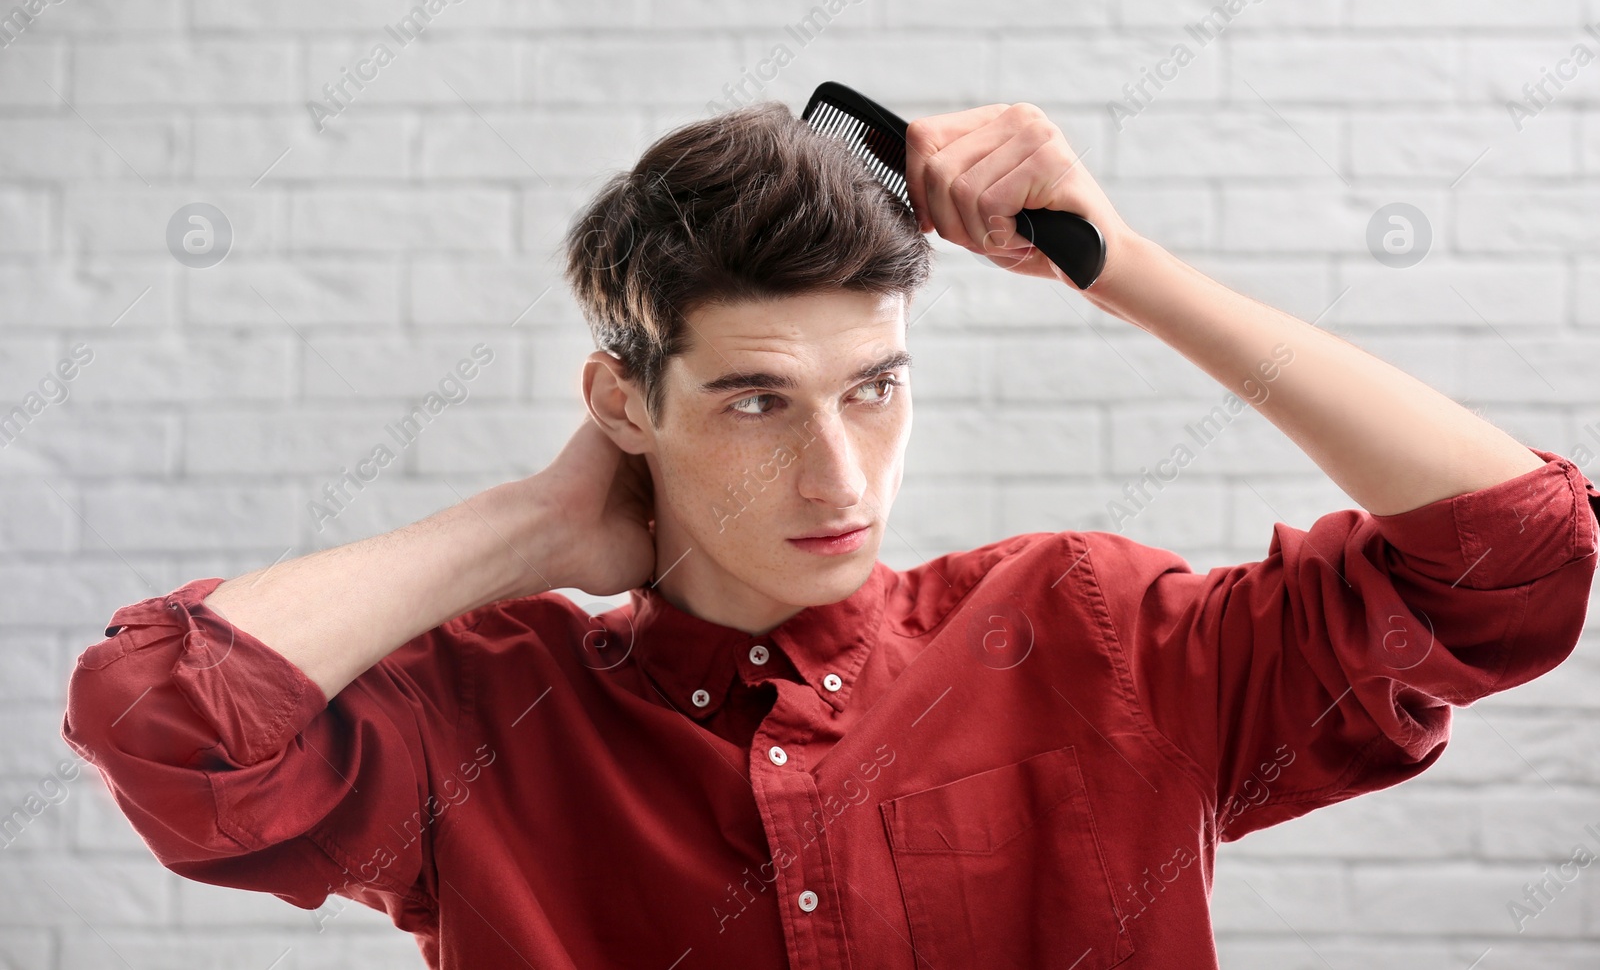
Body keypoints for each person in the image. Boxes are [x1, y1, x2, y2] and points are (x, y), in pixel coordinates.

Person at [62, 99, 1598, 969]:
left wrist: (1115, 265)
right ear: (623, 400)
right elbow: (171, 731)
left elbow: (1513, 560)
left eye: (874, 390)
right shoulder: (489, 712)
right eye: (751, 403)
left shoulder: (1092, 634)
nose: (837, 473)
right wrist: (533, 523)